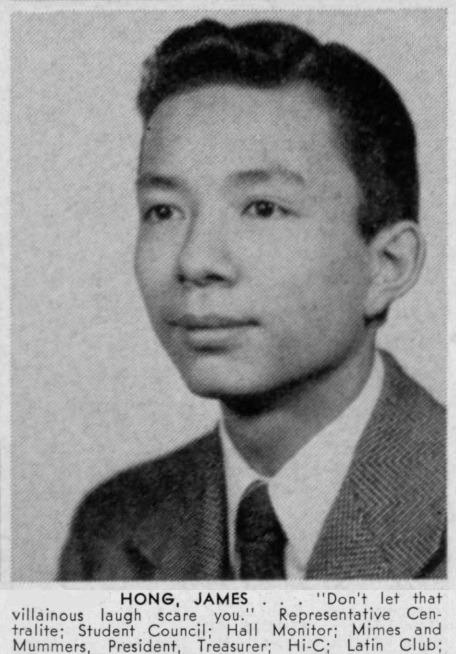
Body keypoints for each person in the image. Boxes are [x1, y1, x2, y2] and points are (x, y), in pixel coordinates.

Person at [58, 19, 445, 580]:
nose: (195, 261)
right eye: (164, 211)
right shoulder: (111, 531)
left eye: (262, 208)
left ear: (388, 265)